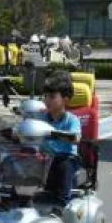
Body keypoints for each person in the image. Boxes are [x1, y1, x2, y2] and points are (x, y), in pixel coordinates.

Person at [38, 72, 81, 212]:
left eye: (52, 97)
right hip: (44, 156)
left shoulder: (72, 120)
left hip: (65, 157)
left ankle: (61, 203)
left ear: (65, 100)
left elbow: (75, 138)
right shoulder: (41, 117)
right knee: (23, 160)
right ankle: (19, 198)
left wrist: (53, 134)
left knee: (63, 166)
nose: (47, 100)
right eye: (45, 96)